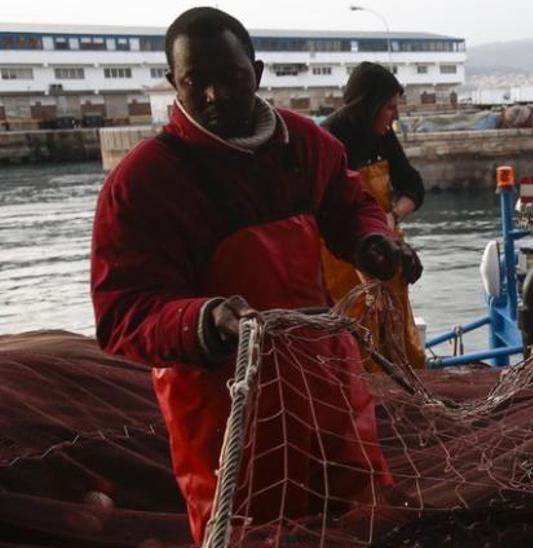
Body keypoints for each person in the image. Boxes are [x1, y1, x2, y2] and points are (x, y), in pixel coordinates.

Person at [90, 7, 421, 542]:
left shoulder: (304, 142)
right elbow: (122, 312)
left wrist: (372, 243)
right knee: (249, 531)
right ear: (174, 82)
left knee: (361, 516)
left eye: (233, 77)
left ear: (258, 72)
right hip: (226, 410)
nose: (217, 95)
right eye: (198, 82)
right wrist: (204, 319)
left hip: (327, 385)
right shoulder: (144, 181)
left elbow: (347, 202)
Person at [321, 62, 428, 370]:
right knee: (358, 341)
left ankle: (407, 396)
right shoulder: (329, 140)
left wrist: (393, 214)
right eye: (389, 107)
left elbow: (413, 186)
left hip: (387, 249)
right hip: (341, 262)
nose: (395, 114)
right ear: (367, 106)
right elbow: (333, 214)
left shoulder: (383, 136)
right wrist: (367, 281)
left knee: (397, 334)